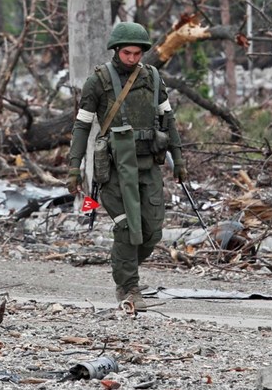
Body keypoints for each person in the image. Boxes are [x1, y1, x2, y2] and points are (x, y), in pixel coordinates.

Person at [67, 21, 187, 310]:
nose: (132, 59)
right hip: (114, 169)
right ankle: (128, 286)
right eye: (127, 53)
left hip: (148, 165)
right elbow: (82, 126)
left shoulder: (153, 79)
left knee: (152, 231)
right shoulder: (98, 82)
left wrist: (179, 159)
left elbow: (168, 121)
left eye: (137, 54)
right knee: (126, 229)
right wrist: (74, 166)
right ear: (116, 50)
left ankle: (123, 266)